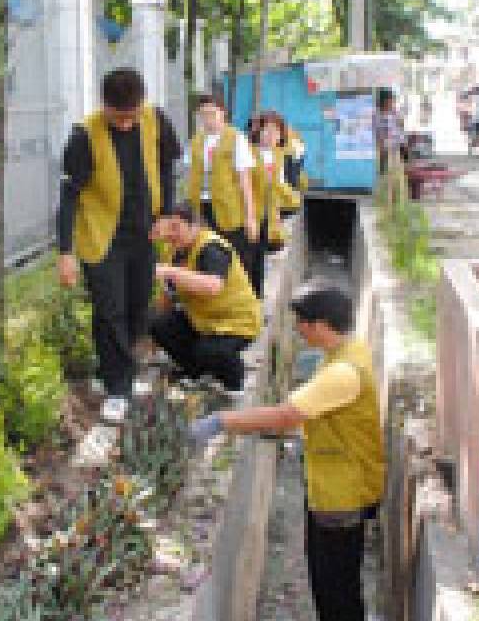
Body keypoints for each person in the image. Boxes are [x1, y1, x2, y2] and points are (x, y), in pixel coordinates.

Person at [188, 288, 385, 621]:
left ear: (322, 325)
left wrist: (221, 421)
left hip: (340, 495)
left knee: (334, 588)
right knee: (338, 582)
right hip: (339, 484)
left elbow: (285, 416)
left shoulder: (342, 372)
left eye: (303, 323)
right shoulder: (350, 351)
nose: (299, 329)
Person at [56, 68, 182, 423]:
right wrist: (65, 252)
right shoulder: (84, 136)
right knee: (110, 309)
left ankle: (116, 371)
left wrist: (167, 213)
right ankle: (117, 387)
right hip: (102, 238)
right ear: (104, 106)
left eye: (132, 117)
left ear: (142, 104)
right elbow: (68, 197)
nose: (126, 124)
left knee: (137, 307)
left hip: (144, 235)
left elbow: (167, 165)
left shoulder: (155, 119)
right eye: (118, 118)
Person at [147, 202, 262, 394]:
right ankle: (194, 371)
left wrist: (169, 272)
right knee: (157, 323)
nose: (171, 234)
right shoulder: (174, 252)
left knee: (208, 351)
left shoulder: (211, 248)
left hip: (237, 323)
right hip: (202, 320)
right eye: (168, 228)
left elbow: (212, 286)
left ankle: (235, 380)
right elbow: (167, 294)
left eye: (176, 228)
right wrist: (157, 335)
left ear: (195, 226)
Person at [185, 96, 259, 290]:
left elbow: (245, 180)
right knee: (207, 250)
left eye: (212, 114)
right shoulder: (196, 141)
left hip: (229, 207)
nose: (208, 119)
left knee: (235, 252)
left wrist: (250, 217)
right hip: (201, 205)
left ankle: (241, 293)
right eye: (203, 115)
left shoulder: (235, 138)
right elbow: (190, 173)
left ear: (222, 113)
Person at [248, 110, 299, 295]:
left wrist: (287, 204)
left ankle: (257, 297)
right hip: (250, 215)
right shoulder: (248, 154)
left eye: (275, 131)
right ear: (257, 132)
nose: (270, 135)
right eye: (266, 130)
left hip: (269, 215)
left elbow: (284, 185)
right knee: (248, 258)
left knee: (261, 259)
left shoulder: (281, 156)